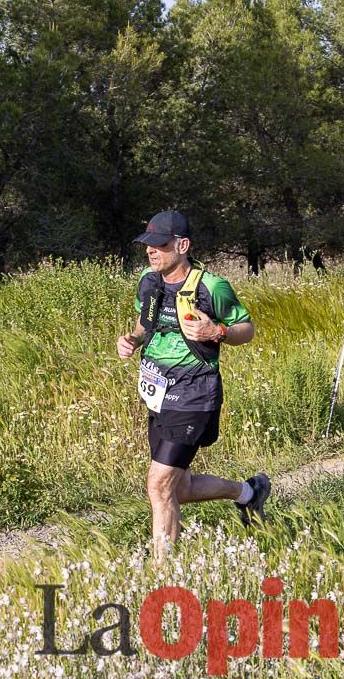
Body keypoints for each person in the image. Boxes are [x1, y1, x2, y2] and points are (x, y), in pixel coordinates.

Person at [116, 210, 270, 563]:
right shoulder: (148, 280)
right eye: (148, 246)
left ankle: (162, 574)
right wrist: (133, 340)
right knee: (179, 488)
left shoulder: (211, 287)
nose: (151, 252)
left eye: (159, 245)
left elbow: (246, 329)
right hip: (156, 389)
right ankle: (249, 492)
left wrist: (218, 332)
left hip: (194, 392)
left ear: (182, 245)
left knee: (158, 484)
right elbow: (145, 322)